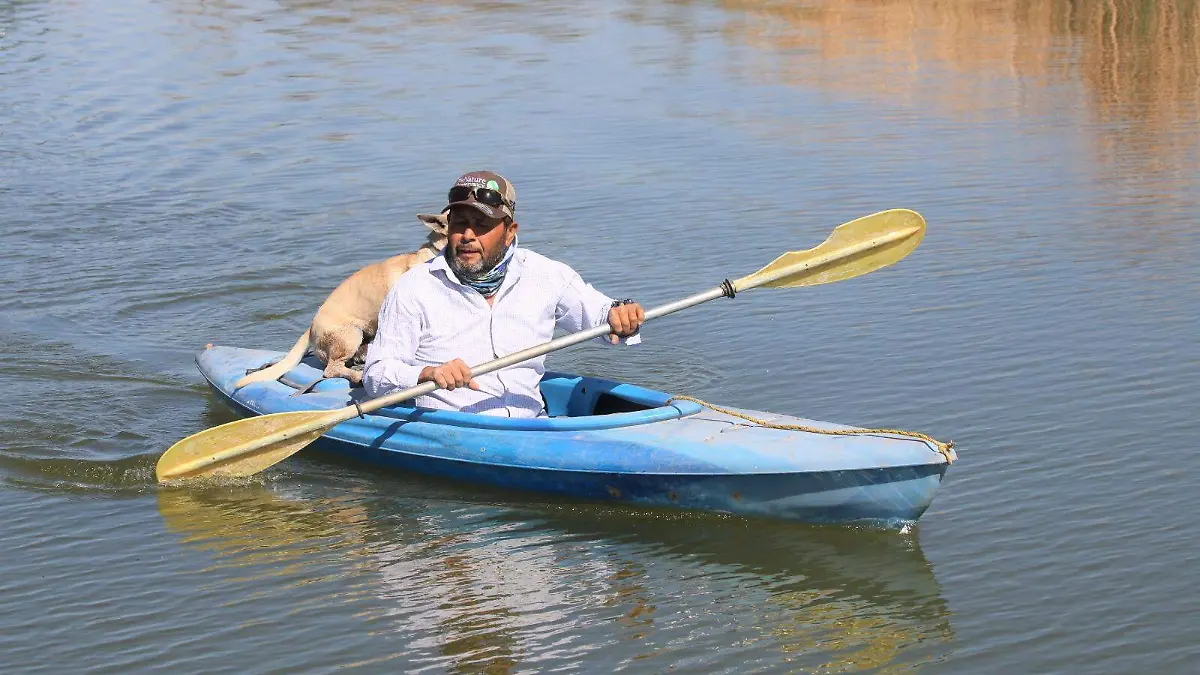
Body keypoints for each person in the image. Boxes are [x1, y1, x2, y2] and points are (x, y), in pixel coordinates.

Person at [362, 170, 645, 417]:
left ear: (510, 231)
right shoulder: (414, 287)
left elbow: (601, 318)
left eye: (482, 225)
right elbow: (376, 374)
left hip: (533, 426)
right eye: (460, 223)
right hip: (451, 430)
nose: (468, 235)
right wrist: (427, 374)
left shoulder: (547, 275)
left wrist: (621, 313)